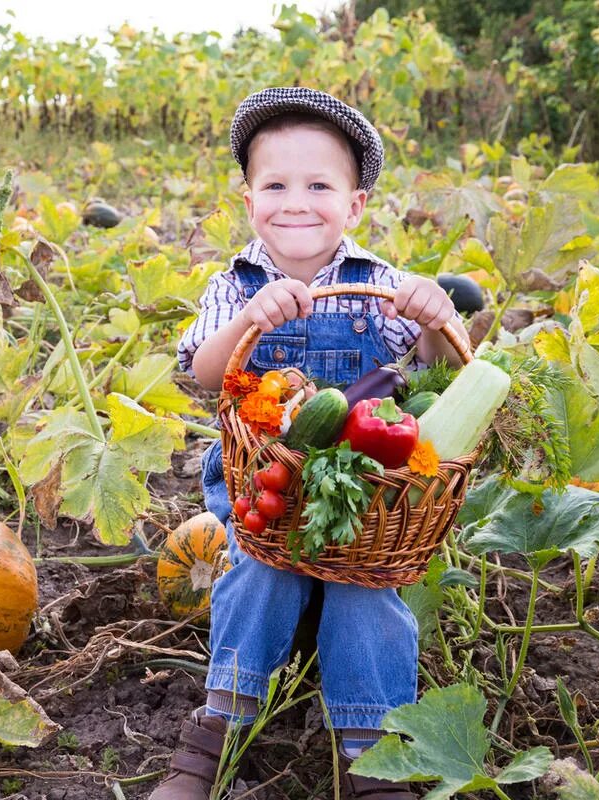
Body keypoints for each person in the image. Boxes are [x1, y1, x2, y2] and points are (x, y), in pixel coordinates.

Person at [153, 87, 469, 800]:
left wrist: (431, 318)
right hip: (262, 490)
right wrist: (248, 325)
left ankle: (375, 751)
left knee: (370, 599)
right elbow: (205, 371)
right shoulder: (235, 285)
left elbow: (447, 364)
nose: (295, 202)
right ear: (249, 199)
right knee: (258, 577)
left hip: (363, 498)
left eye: (319, 185)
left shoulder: (380, 285)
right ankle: (217, 730)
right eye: (276, 185)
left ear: (355, 206)